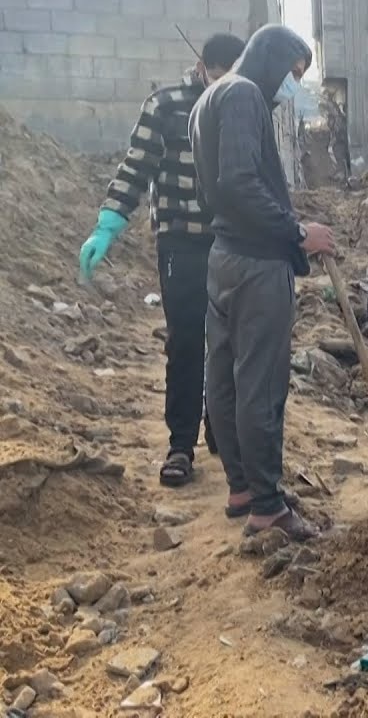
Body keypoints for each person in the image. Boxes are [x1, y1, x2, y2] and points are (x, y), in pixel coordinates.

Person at [79, 33, 246, 488]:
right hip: (181, 244)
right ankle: (180, 445)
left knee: (227, 343)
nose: (224, 86)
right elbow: (136, 167)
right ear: (202, 67)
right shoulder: (166, 105)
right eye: (219, 76)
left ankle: (220, 424)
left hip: (231, 244)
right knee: (187, 341)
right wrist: (109, 222)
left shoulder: (243, 103)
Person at [189, 25, 335, 539]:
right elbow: (238, 182)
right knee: (260, 384)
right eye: (291, 74)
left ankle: (243, 488)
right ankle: (268, 507)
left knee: (224, 378)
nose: (288, 86)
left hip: (224, 256)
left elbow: (224, 188)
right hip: (256, 265)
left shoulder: (210, 96)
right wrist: (297, 232)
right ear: (270, 58)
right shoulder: (246, 95)